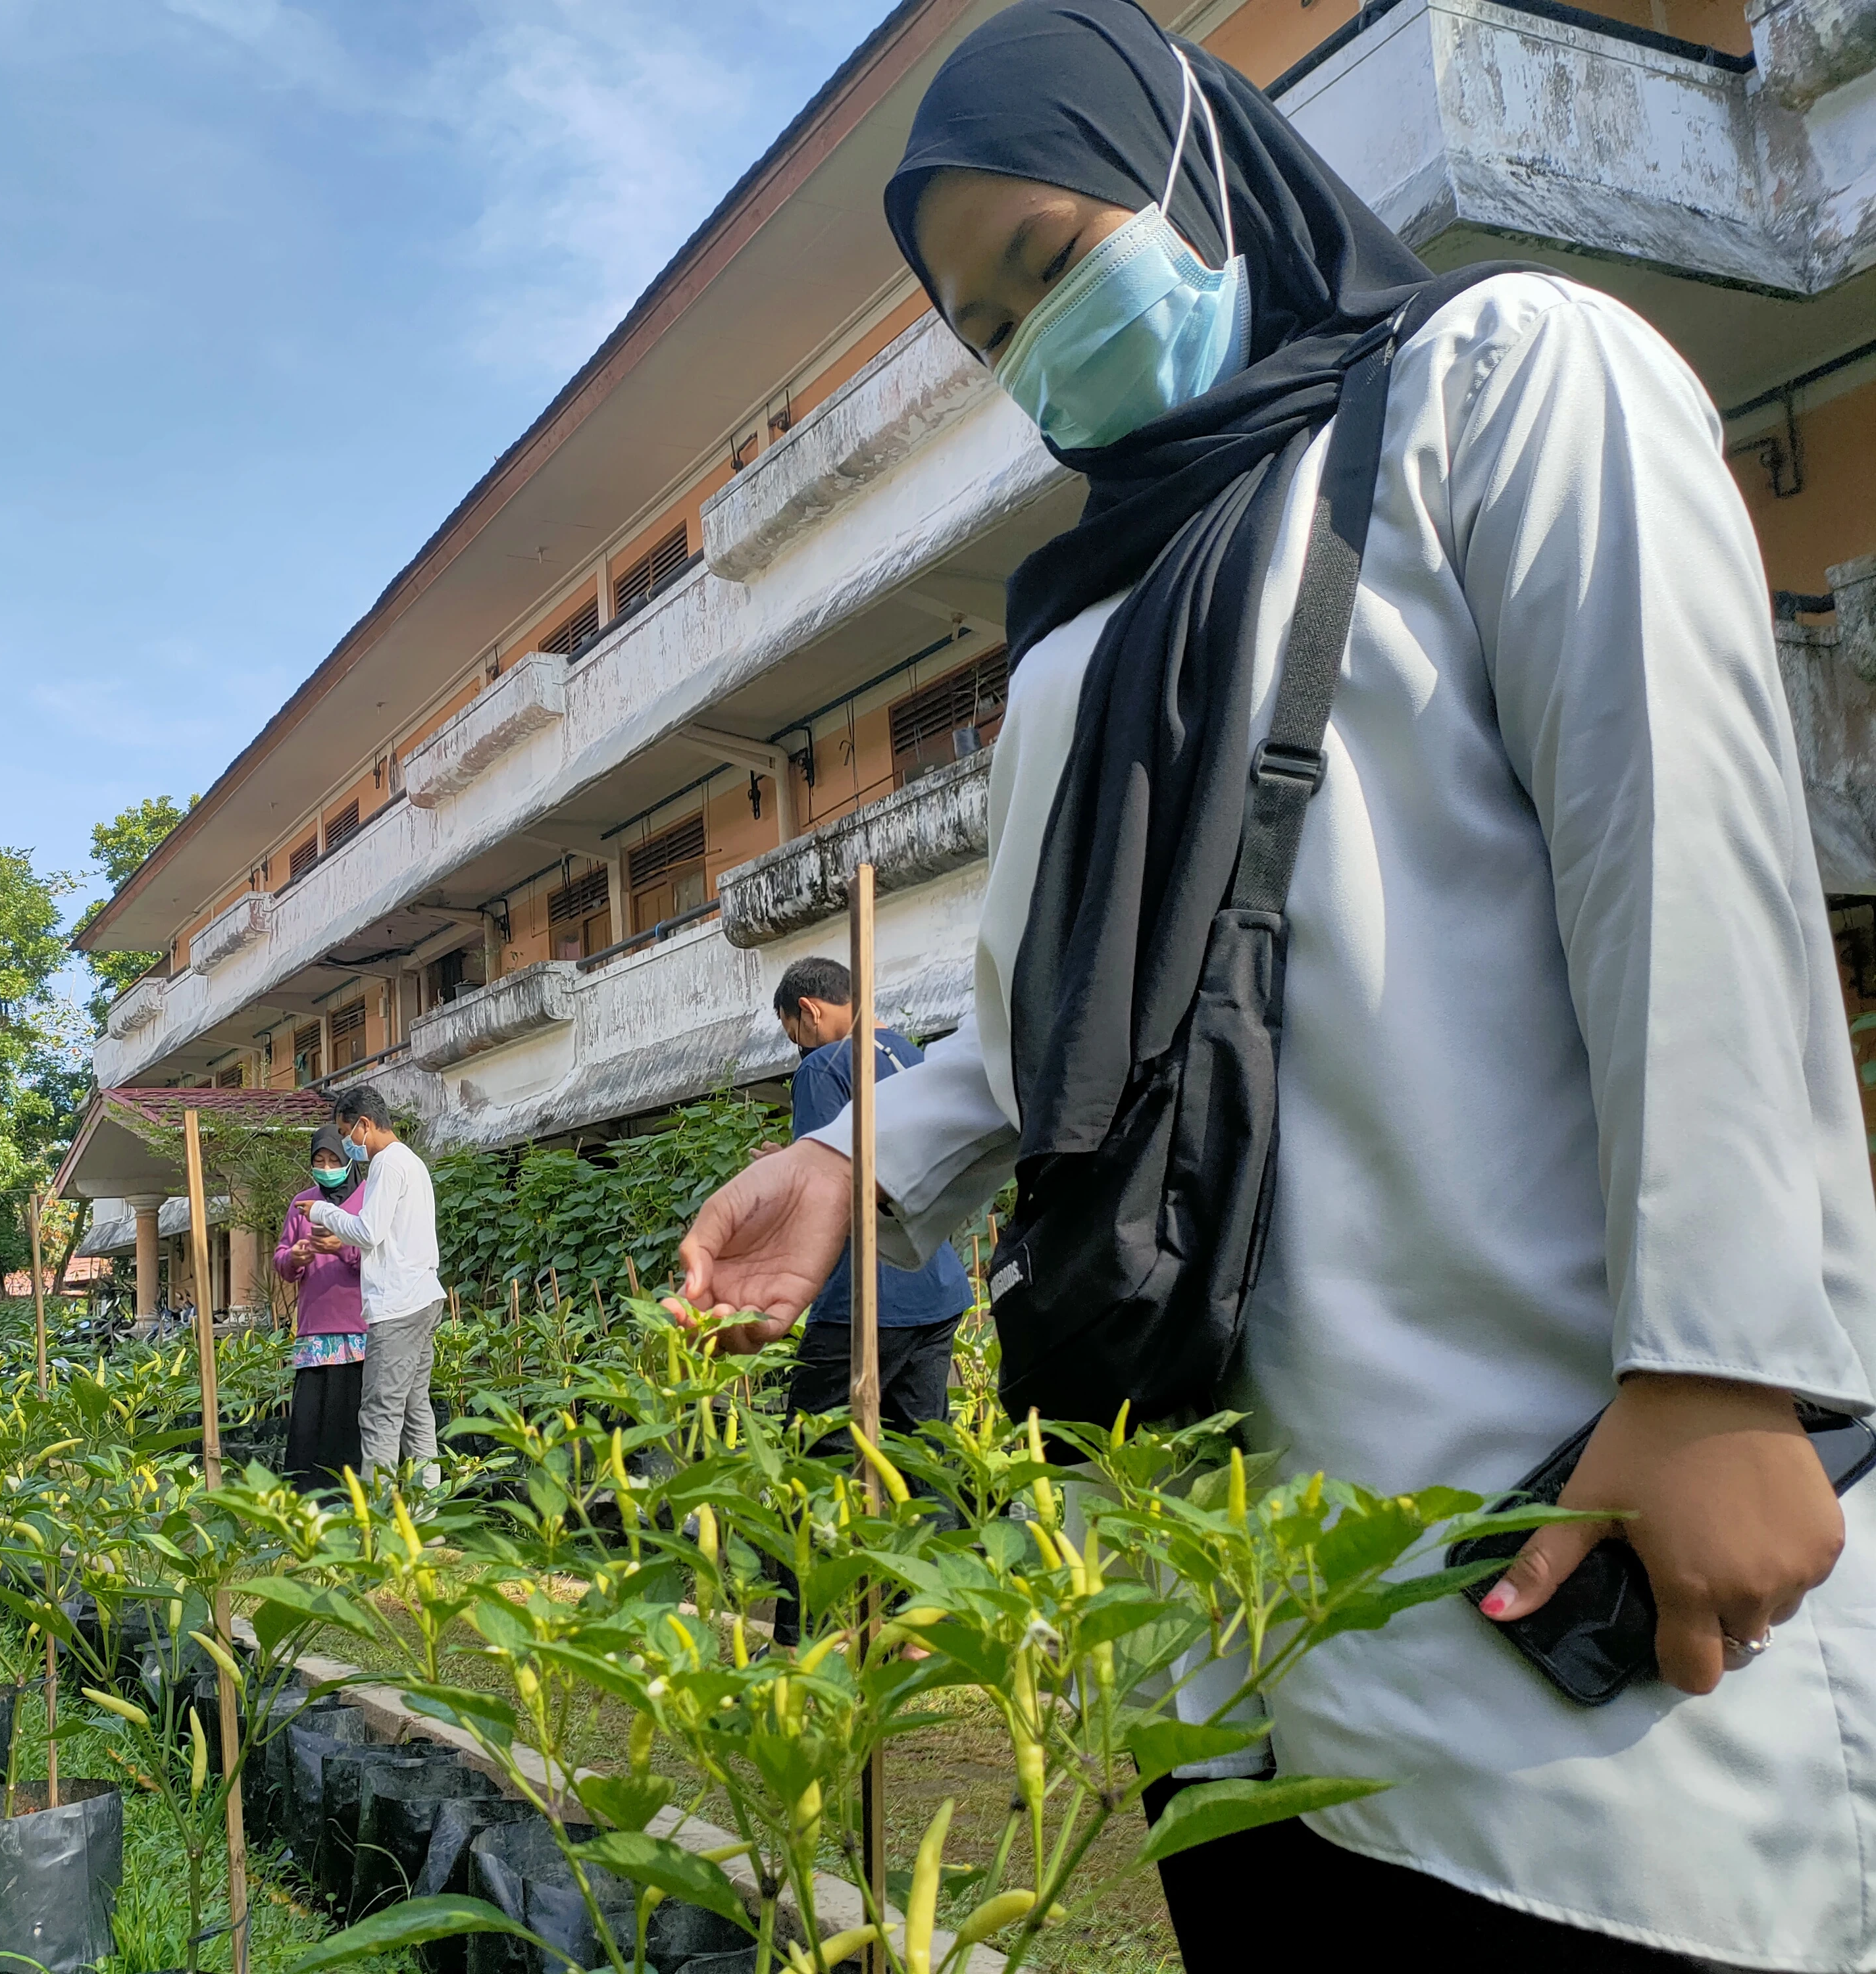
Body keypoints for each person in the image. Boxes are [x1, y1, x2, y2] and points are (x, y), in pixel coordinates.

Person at [671, 3, 1871, 1967]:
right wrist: (858, 1162)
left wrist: (1722, 1361)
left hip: (1568, 1566)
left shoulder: (1500, 380)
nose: (1032, 346)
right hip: (1220, 1660)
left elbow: (1680, 850)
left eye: (1050, 265)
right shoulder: (1074, 643)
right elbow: (1039, 1020)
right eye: (987, 334)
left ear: (1198, 171)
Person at [722, 955, 976, 1641]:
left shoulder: (823, 1064)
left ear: (808, 1011)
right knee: (920, 1459)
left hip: (867, 1296)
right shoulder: (908, 1053)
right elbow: (871, 1166)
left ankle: (799, 1633)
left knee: (808, 1459)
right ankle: (926, 1621)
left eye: (790, 1033)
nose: (795, 1050)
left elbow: (825, 1198)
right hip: (936, 1286)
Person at [307, 1088, 445, 1488]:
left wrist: (323, 1212)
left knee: (381, 1413)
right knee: (416, 1412)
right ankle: (425, 1515)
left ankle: (378, 1522)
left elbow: (368, 1231)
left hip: (397, 1307)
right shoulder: (413, 1163)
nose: (349, 1144)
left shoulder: (386, 1163)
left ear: (365, 1125)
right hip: (423, 1296)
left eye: (347, 1134)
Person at [273, 1126, 368, 1490]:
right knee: (310, 1418)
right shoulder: (303, 1203)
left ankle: (351, 1495)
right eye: (319, 1161)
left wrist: (341, 1247)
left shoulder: (365, 1201)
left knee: (349, 1414)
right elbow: (281, 1260)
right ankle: (307, 1496)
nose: (327, 1167)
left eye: (334, 1160)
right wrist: (295, 1257)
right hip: (315, 1329)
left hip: (359, 1327)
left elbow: (376, 1257)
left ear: (348, 1162)